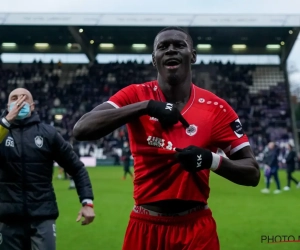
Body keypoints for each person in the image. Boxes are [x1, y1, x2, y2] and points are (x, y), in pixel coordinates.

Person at [73, 27, 260, 250]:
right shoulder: (136, 95)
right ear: (154, 59)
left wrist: (211, 160)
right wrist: (145, 107)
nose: (171, 50)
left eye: (179, 45)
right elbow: (82, 129)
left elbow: (252, 173)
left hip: (196, 229)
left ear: (193, 55)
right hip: (145, 226)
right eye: (163, 47)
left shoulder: (216, 108)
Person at [0, 88, 95, 250]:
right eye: (14, 98)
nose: (19, 101)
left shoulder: (48, 134)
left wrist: (87, 202)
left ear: (32, 106)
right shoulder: (2, 133)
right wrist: (6, 121)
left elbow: (77, 168)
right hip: (8, 219)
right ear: (8, 105)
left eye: (24, 98)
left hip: (42, 217)